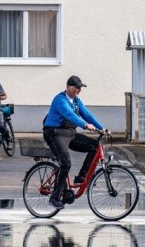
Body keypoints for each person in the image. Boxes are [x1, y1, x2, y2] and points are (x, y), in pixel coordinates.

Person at [42, 74, 106, 205]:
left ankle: (81, 177)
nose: (79, 90)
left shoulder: (76, 100)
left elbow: (87, 114)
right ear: (68, 87)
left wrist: (102, 128)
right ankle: (54, 197)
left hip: (69, 133)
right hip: (54, 134)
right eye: (77, 87)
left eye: (80, 88)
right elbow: (69, 115)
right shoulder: (60, 100)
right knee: (65, 163)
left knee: (94, 146)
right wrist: (85, 125)